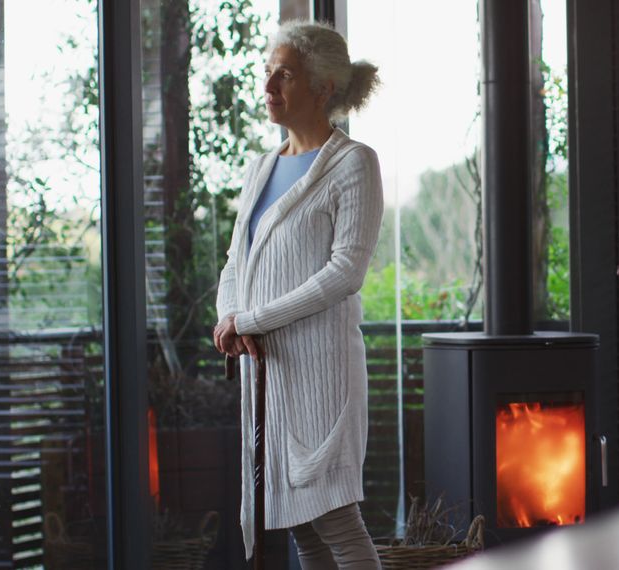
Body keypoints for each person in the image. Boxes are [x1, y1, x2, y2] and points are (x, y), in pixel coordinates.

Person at [212, 20, 383, 570]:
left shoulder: (353, 163)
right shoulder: (262, 168)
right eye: (268, 74)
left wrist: (253, 319)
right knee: (299, 530)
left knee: (335, 520)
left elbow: (344, 273)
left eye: (283, 75)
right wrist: (229, 319)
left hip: (320, 375)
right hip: (266, 376)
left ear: (322, 87)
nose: (268, 87)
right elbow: (237, 261)